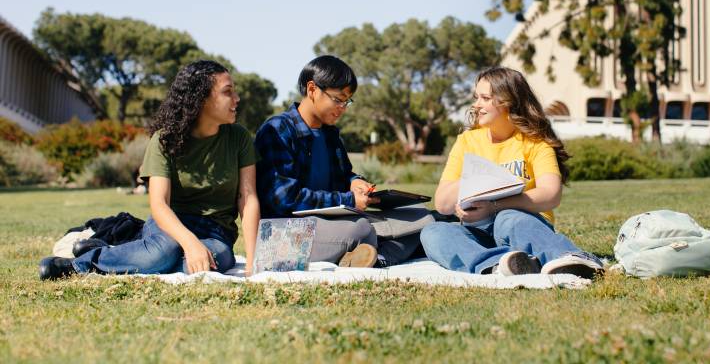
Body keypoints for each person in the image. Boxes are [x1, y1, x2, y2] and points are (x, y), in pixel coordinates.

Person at [38, 60, 261, 280]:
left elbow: (247, 199)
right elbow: (159, 204)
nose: (237, 99)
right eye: (227, 92)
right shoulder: (165, 140)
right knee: (164, 253)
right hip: (170, 225)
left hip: (215, 233)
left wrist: (253, 260)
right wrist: (191, 243)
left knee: (210, 262)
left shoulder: (239, 138)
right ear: (201, 99)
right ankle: (81, 264)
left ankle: (122, 252)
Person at [420, 66, 604, 278]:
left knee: (507, 218)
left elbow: (551, 194)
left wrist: (495, 207)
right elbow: (442, 204)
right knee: (434, 233)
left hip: (521, 223)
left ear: (508, 102)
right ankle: (500, 266)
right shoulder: (467, 141)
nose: (476, 104)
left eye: (485, 98)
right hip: (476, 231)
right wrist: (472, 182)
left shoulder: (535, 141)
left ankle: (571, 258)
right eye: (476, 97)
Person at [255, 55, 429, 267]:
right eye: (338, 99)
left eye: (347, 101)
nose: (343, 108)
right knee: (359, 228)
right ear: (312, 90)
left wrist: (355, 182)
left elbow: (344, 174)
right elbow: (284, 198)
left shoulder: (331, 135)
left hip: (333, 223)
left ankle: (375, 258)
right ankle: (377, 252)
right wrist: (348, 200)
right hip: (284, 233)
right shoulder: (277, 130)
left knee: (421, 217)